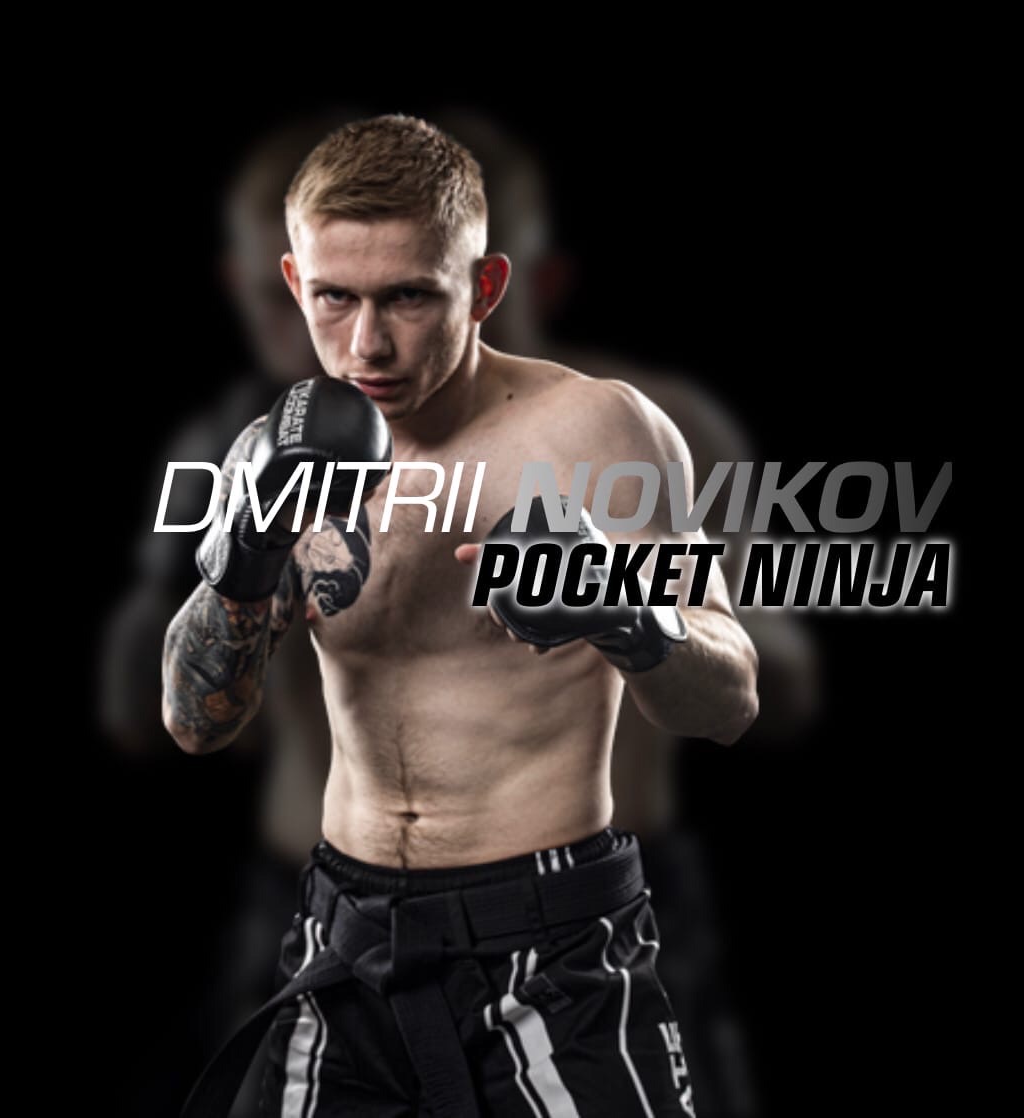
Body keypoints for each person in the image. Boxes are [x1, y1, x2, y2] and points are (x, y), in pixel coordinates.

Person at [163, 114, 759, 1117]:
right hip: (347, 936)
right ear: (293, 280)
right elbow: (194, 721)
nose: (367, 343)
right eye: (334, 297)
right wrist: (243, 560)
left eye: (409, 296)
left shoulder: (596, 432)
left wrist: (629, 613)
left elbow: (730, 698)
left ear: (484, 288)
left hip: (552, 944)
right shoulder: (280, 449)